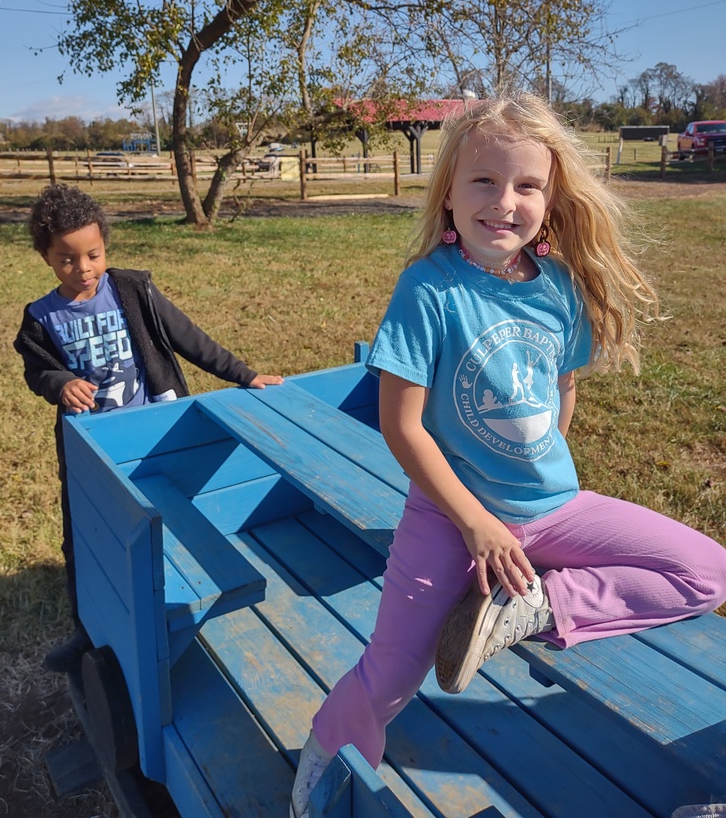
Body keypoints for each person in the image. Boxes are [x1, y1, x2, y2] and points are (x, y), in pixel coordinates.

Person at [289, 93, 726, 818]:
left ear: (551, 201)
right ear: (450, 194)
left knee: (706, 571)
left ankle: (538, 603)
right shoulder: (428, 288)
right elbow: (402, 428)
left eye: (527, 185)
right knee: (394, 672)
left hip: (555, 508)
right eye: (484, 182)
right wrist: (475, 522)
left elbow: (564, 388)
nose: (505, 202)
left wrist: (542, 485)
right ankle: (324, 755)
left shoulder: (558, 288)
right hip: (448, 516)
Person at [14, 183, 283, 673]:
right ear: (47, 258)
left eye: (92, 255)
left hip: (152, 432)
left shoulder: (134, 290)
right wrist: (60, 382)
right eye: (66, 260)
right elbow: (37, 370)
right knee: (86, 535)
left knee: (162, 520)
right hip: (90, 446)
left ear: (105, 246)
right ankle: (88, 630)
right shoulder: (40, 318)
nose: (83, 269)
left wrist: (243, 374)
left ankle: (173, 607)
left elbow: (189, 339)